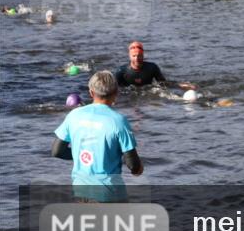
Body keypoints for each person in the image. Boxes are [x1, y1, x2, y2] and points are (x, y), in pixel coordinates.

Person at [51, 71, 143, 201]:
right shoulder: (119, 121)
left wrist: (85, 154)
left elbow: (57, 151)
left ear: (91, 93)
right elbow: (133, 165)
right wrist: (138, 169)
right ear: (116, 92)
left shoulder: (74, 115)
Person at [114, 40, 195, 89]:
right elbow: (112, 89)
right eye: (134, 56)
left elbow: (163, 84)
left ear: (143, 55)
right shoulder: (121, 71)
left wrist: (181, 86)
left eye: (139, 56)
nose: (136, 58)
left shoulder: (152, 68)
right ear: (129, 56)